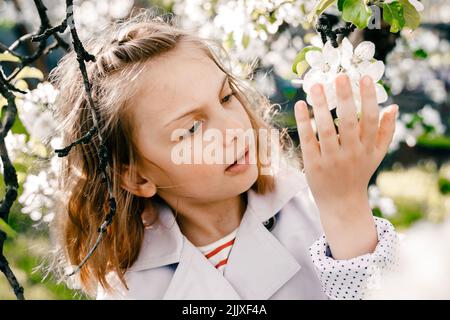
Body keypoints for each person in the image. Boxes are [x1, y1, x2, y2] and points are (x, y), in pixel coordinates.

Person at [49, 10, 399, 300]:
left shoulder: (311, 212)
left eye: (226, 97)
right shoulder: (129, 287)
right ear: (137, 177)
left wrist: (346, 206)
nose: (232, 127)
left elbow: (383, 290)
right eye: (191, 129)